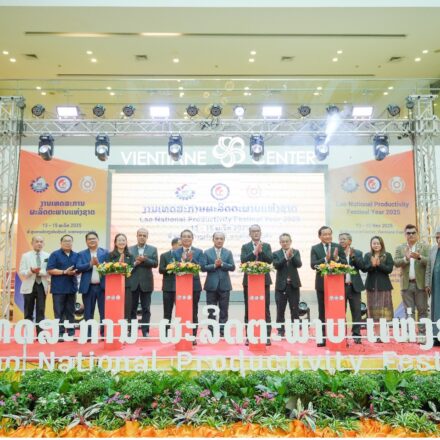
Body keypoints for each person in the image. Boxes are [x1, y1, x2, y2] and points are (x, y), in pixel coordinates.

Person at [310, 226, 347, 347]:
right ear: (319, 236)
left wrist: (337, 258)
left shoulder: (338, 247)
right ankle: (322, 338)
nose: (328, 236)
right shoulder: (315, 248)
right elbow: (313, 265)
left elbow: (345, 263)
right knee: (322, 312)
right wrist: (325, 259)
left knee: (339, 312)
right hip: (322, 285)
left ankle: (341, 338)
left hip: (337, 286)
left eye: (329, 234)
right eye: (325, 234)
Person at [394, 224, 430, 342]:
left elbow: (430, 262)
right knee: (408, 311)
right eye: (408, 233)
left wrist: (419, 257)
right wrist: (406, 258)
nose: (411, 235)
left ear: (417, 234)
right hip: (406, 284)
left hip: (421, 284)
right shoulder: (400, 248)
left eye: (413, 232)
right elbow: (396, 263)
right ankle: (410, 333)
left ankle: (422, 334)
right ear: (405, 235)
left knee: (422, 310)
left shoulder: (425, 247)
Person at [240, 224, 273, 345]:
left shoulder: (267, 246)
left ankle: (267, 336)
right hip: (249, 283)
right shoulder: (245, 246)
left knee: (265, 309)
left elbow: (269, 260)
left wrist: (261, 252)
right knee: (249, 309)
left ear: (261, 232)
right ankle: (249, 336)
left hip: (263, 282)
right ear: (250, 233)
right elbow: (243, 261)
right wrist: (254, 252)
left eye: (258, 231)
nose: (256, 233)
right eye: (253, 231)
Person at [172, 229, 205, 344]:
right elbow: (173, 266)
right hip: (180, 286)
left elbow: (202, 266)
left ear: (192, 239)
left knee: (193, 311)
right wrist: (182, 260)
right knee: (181, 311)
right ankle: (180, 335)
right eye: (184, 236)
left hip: (194, 285)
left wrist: (191, 259)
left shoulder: (199, 251)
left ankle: (192, 336)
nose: (186, 238)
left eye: (189, 236)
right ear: (181, 239)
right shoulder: (175, 252)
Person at [202, 232, 235, 337]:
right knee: (211, 310)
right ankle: (211, 330)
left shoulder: (228, 252)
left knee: (224, 309)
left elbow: (232, 267)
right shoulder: (207, 252)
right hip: (211, 286)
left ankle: (222, 330)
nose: (219, 240)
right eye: (217, 238)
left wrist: (222, 264)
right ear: (213, 240)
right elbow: (203, 268)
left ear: (224, 240)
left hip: (225, 285)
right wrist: (214, 265)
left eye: (221, 239)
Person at [76, 231, 109, 338]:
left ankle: (104, 334)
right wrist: (90, 264)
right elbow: (78, 267)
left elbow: (109, 267)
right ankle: (89, 334)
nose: (92, 240)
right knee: (88, 313)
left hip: (102, 287)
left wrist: (98, 265)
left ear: (98, 240)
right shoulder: (81, 254)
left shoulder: (105, 252)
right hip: (88, 287)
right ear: (86, 241)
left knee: (104, 312)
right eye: (89, 239)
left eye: (94, 238)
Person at [362, 236, 394, 342]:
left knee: (383, 310)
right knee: (373, 311)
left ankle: (383, 334)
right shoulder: (367, 255)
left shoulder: (387, 255)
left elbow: (389, 270)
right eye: (374, 243)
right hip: (371, 287)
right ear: (371, 245)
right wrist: (372, 265)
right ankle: (376, 334)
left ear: (381, 244)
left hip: (383, 286)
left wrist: (379, 265)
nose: (376, 245)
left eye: (378, 243)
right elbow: (364, 268)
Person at [47, 234, 79, 340]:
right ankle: (59, 334)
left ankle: (71, 333)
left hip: (71, 288)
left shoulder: (76, 255)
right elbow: (50, 269)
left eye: (69, 241)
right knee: (59, 312)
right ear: (61, 243)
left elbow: (79, 269)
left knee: (71, 312)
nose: (67, 243)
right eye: (65, 241)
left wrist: (76, 272)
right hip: (58, 288)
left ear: (72, 243)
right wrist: (64, 272)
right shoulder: (55, 254)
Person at [128, 228, 158, 338]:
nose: (142, 237)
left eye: (144, 235)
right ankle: (132, 331)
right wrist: (136, 262)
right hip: (133, 282)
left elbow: (155, 264)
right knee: (132, 309)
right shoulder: (130, 249)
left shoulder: (153, 249)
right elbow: (127, 265)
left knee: (146, 308)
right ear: (136, 236)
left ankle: (145, 331)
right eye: (140, 235)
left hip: (147, 283)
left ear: (147, 237)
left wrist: (145, 260)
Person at [18, 236, 50, 335]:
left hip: (42, 285)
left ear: (44, 243)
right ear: (32, 243)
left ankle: (40, 333)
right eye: (37, 241)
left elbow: (49, 271)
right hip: (29, 285)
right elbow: (22, 272)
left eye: (41, 241)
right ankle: (28, 333)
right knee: (28, 310)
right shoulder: (26, 256)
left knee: (41, 310)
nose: (39, 243)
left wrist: (40, 272)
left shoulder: (48, 256)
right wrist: (31, 271)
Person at [272, 233, 302, 338]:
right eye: (283, 241)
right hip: (281, 287)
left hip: (293, 286)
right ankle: (280, 331)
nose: (285, 243)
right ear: (280, 242)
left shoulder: (296, 252)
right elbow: (276, 265)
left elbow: (299, 264)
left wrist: (291, 256)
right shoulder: (276, 253)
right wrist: (285, 257)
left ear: (290, 242)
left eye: (287, 241)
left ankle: (296, 331)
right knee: (280, 310)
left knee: (295, 310)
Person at [338, 232, 365, 344]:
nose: (342, 241)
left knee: (357, 312)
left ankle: (356, 335)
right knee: (341, 312)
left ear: (350, 241)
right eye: (340, 239)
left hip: (354, 287)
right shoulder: (336, 253)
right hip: (341, 287)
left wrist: (353, 257)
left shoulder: (357, 253)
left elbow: (362, 267)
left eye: (344, 239)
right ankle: (342, 335)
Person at [108, 233, 135, 321]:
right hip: (114, 286)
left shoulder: (130, 256)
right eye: (119, 240)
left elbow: (131, 269)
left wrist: (123, 265)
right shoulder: (110, 255)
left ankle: (127, 327)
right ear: (115, 243)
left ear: (126, 242)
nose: (121, 242)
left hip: (127, 285)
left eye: (123, 240)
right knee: (115, 307)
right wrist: (118, 265)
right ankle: (114, 326)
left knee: (127, 307)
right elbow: (108, 269)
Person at [158, 237, 181, 336]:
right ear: (174, 245)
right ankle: (166, 332)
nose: (181, 247)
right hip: (168, 287)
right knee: (167, 312)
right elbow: (161, 270)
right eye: (180, 245)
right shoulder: (164, 255)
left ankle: (181, 332)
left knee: (181, 312)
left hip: (181, 288)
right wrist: (171, 267)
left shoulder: (183, 256)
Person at [426, 226, 440, 347]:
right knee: (435, 310)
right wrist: (427, 284)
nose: (438, 239)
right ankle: (436, 337)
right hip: (435, 285)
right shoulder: (433, 250)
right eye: (437, 237)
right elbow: (429, 268)